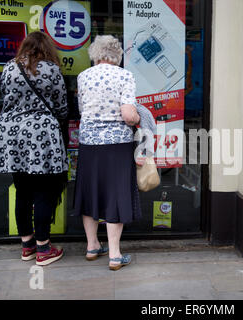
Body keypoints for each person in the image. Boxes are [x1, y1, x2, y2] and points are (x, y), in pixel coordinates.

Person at [0, 31, 68, 266]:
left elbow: (6, 98)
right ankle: (44, 249)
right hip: (41, 135)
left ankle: (27, 246)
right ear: (47, 48)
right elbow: (62, 106)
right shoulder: (52, 70)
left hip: (12, 135)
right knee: (44, 191)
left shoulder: (9, 68)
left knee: (22, 189)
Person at [74, 35, 142, 271]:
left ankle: (92, 246)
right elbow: (128, 114)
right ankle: (114, 255)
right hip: (117, 144)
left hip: (89, 142)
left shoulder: (83, 76)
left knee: (90, 192)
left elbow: (82, 109)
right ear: (117, 55)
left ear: (96, 54)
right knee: (115, 194)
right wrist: (138, 118)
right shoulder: (125, 76)